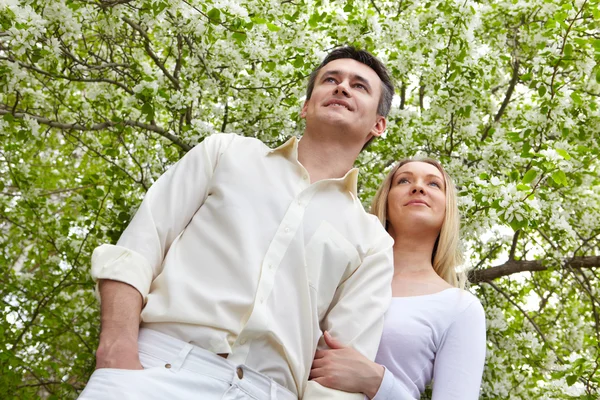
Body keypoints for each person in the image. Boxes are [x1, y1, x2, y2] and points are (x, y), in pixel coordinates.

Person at [79, 47, 396, 400]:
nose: (342, 88)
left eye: (359, 86)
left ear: (378, 125)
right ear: (305, 106)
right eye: (330, 80)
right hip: (155, 367)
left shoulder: (373, 242)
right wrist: (115, 351)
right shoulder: (225, 153)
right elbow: (138, 248)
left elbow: (343, 371)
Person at [310, 158, 487, 399]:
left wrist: (377, 382)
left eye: (434, 184)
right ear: (386, 200)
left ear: (447, 209)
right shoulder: (339, 267)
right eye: (404, 180)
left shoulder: (460, 308)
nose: (418, 187)